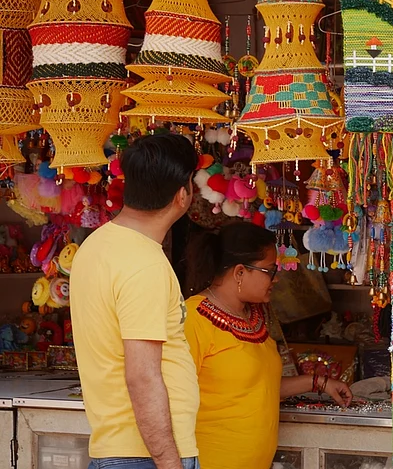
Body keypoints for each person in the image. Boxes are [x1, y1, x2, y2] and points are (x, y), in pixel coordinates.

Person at [71, 134, 200, 469]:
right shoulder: (145, 265)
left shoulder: (96, 246)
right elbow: (142, 376)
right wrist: (169, 462)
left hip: (120, 448)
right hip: (144, 455)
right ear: (182, 195)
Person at [183, 222, 353, 469]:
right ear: (240, 272)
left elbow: (259, 388)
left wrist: (319, 382)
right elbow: (168, 402)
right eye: (270, 271)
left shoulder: (254, 317)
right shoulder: (193, 319)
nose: (276, 279)